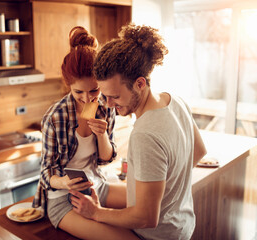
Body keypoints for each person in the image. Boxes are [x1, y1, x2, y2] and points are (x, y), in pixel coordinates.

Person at [69, 24, 207, 240]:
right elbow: (199, 151)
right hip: (182, 226)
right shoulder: (175, 101)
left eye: (115, 96)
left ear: (140, 83)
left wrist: (96, 213)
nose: (109, 104)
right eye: (104, 96)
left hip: (156, 236)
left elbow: (146, 218)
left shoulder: (144, 135)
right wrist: (160, 188)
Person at [32, 26, 139, 240]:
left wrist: (101, 135)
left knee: (144, 211)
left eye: (94, 90)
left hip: (97, 185)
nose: (87, 98)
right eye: (78, 92)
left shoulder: (105, 106)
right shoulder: (55, 118)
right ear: (68, 85)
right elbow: (46, 172)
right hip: (63, 199)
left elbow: (106, 159)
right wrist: (64, 183)